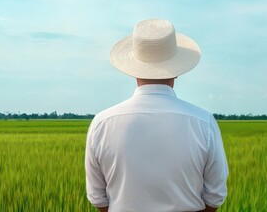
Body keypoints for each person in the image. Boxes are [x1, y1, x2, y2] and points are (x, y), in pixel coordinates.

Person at [85, 19, 228, 212]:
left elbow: (98, 199)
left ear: (132, 69)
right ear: (177, 71)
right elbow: (215, 196)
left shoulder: (102, 123)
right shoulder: (203, 122)